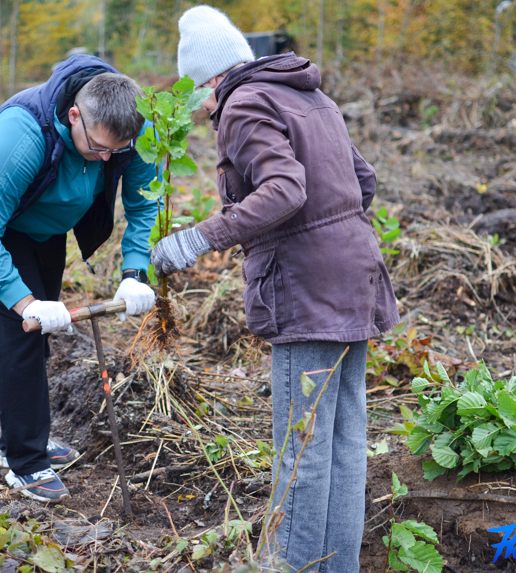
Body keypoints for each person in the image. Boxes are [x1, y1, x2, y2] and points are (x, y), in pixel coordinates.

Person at [152, 6, 399, 572]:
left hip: (307, 293)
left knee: (301, 450)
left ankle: (293, 567)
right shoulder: (310, 95)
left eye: (196, 93)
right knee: (343, 443)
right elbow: (363, 181)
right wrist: (333, 237)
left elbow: (285, 189)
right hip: (355, 277)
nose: (199, 108)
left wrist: (199, 238)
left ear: (210, 79)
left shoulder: (243, 104)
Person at [0, 56, 159, 503]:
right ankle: (24, 462)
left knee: (42, 333)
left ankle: (24, 433)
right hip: (1, 228)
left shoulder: (130, 129)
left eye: (117, 151)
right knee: (22, 336)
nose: (107, 159)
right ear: (74, 115)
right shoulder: (24, 133)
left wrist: (134, 272)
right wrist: (24, 302)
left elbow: (145, 203)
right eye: (99, 148)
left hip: (49, 228)